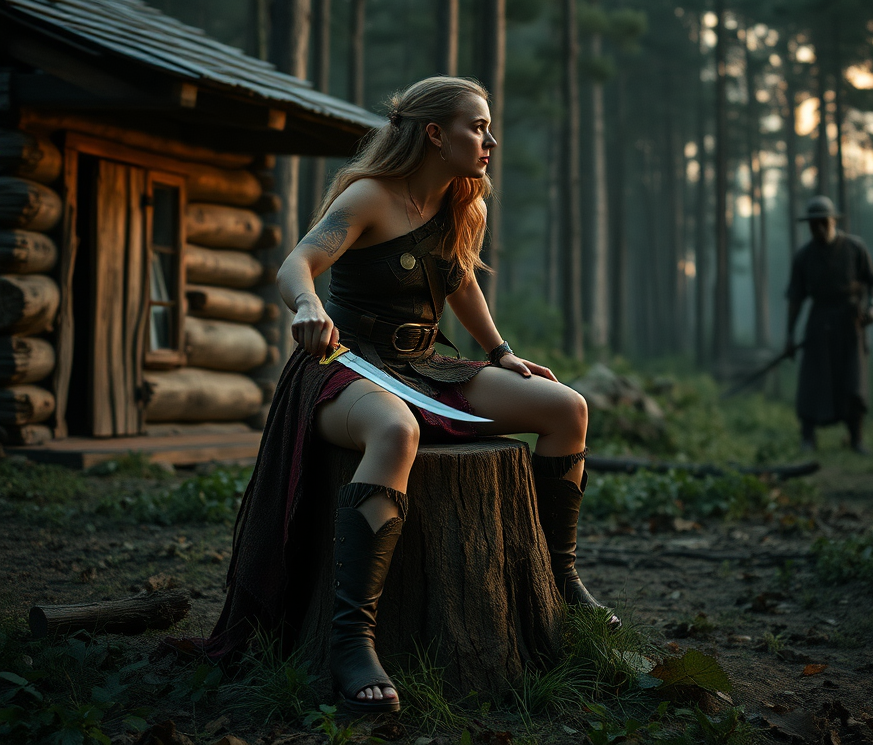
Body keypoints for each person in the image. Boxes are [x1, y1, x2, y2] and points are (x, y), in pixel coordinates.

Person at [206, 75, 616, 715]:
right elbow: (297, 263)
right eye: (477, 127)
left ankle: (558, 578)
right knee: (396, 432)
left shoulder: (457, 200)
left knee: (566, 408)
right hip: (344, 364)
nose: (490, 139)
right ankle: (352, 641)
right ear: (434, 134)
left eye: (487, 127)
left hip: (428, 363)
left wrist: (501, 352)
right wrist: (308, 308)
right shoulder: (370, 195)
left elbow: (459, 282)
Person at [784, 195, 873, 455]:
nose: (818, 228)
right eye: (813, 224)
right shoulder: (804, 257)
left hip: (850, 322)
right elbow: (795, 297)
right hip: (818, 322)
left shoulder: (854, 248)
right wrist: (790, 335)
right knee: (812, 380)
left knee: (853, 379)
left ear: (832, 221)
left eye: (822, 222)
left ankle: (856, 438)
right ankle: (807, 438)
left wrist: (872, 307)